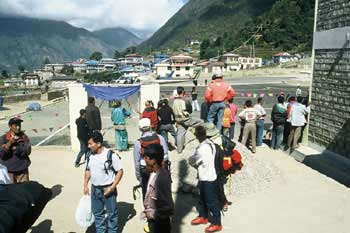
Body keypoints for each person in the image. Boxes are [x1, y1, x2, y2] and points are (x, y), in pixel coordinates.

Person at [84, 131, 124, 233]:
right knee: (98, 214)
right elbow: (88, 170)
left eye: (90, 144)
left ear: (98, 144)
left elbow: (120, 171)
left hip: (108, 188)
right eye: (88, 144)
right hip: (95, 189)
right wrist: (85, 185)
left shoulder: (110, 155)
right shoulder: (89, 155)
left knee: (112, 214)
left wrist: (113, 187)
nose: (89, 146)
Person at [189, 126, 222, 233]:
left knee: (211, 201)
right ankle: (203, 216)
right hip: (207, 175)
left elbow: (193, 160)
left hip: (208, 177)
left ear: (198, 136)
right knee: (202, 198)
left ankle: (217, 223)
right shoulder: (210, 143)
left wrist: (190, 159)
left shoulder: (202, 148)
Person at [133, 118, 169, 199]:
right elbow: (166, 155)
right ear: (150, 126)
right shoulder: (160, 138)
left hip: (145, 170)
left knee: (147, 193)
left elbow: (137, 163)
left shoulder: (138, 143)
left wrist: (139, 177)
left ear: (140, 128)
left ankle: (148, 210)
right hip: (160, 168)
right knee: (162, 192)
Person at [143, 144, 174, 233]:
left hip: (160, 223)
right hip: (153, 220)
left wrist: (152, 214)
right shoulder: (151, 172)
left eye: (146, 157)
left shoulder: (162, 178)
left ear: (153, 160)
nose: (144, 159)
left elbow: (168, 207)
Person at [0, 118, 31, 183]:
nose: (18, 127)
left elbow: (28, 151)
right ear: (10, 126)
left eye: (19, 125)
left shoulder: (24, 137)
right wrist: (9, 143)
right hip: (9, 170)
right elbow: (2, 155)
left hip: (22, 169)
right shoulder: (3, 138)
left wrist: (17, 148)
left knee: (24, 190)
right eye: (16, 125)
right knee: (10, 191)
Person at [173, 86, 203, 153]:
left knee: (180, 134)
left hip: (178, 119)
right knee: (201, 121)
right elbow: (184, 111)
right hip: (185, 119)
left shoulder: (175, 101)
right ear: (183, 92)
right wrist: (188, 114)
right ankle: (199, 133)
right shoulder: (182, 101)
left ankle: (179, 150)